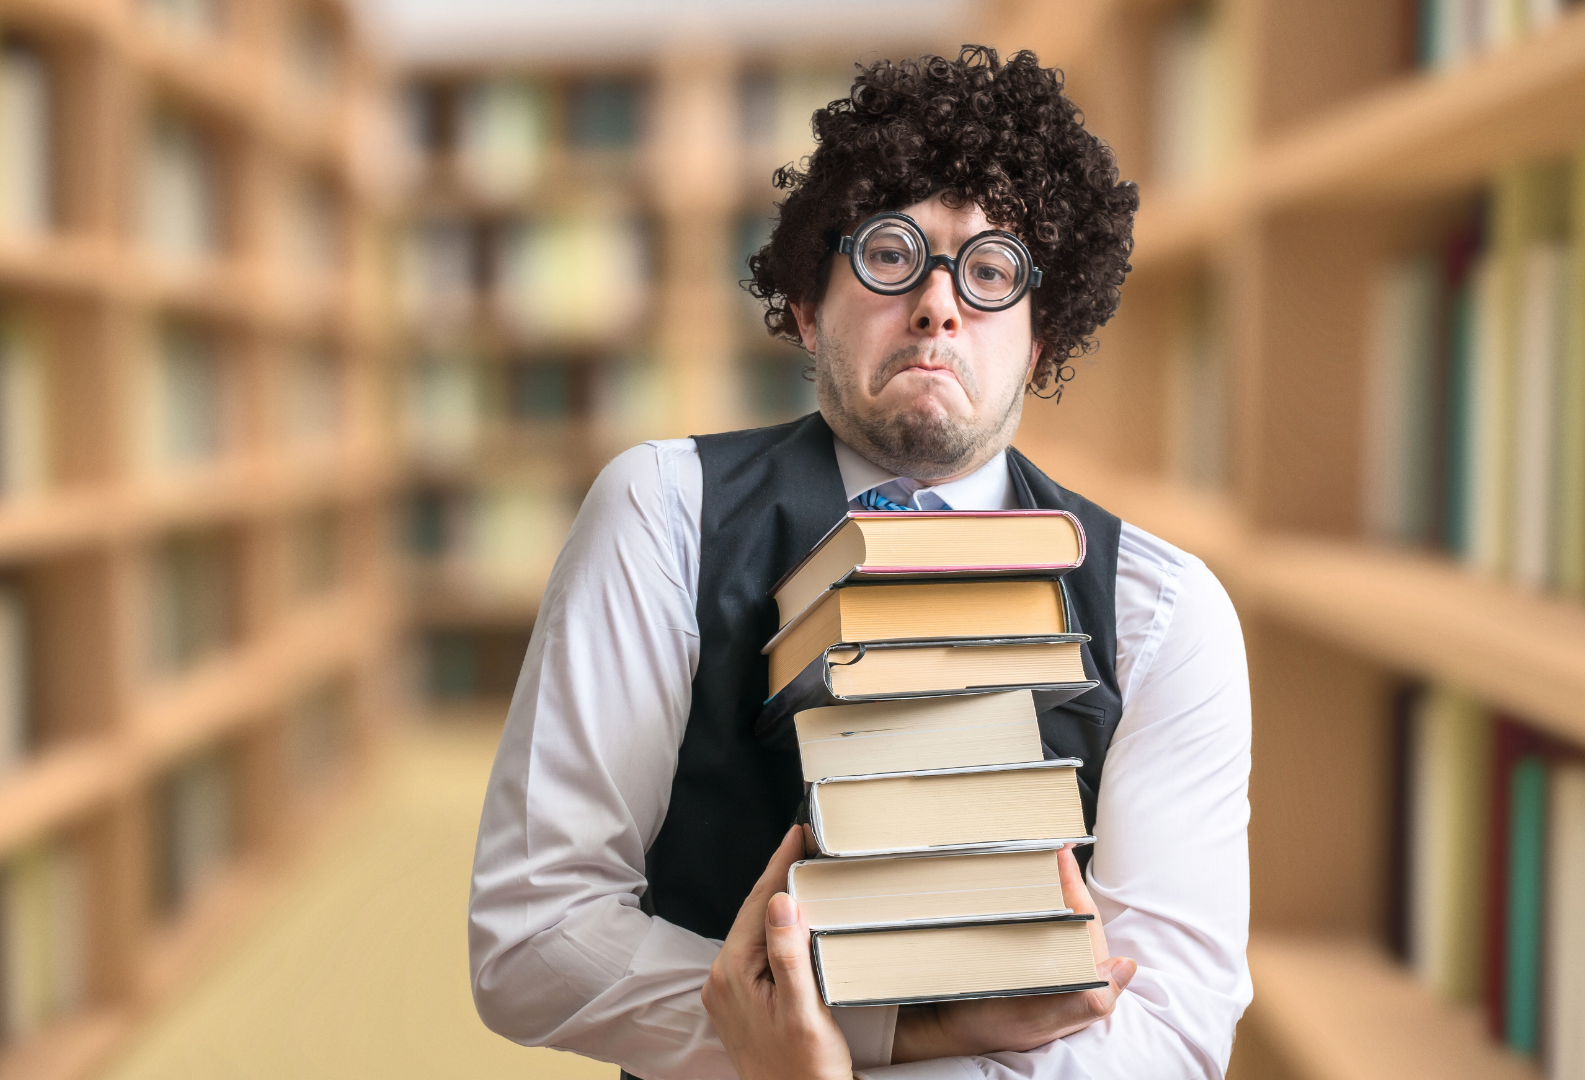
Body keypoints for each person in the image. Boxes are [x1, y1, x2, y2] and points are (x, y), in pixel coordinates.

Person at [469, 47, 1252, 1079]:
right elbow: (531, 938)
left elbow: (1168, 1033)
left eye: (990, 269)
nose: (938, 305)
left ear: (1041, 334)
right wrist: (891, 1034)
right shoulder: (660, 514)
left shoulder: (1165, 612)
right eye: (892, 256)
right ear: (805, 302)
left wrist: (796, 1047)